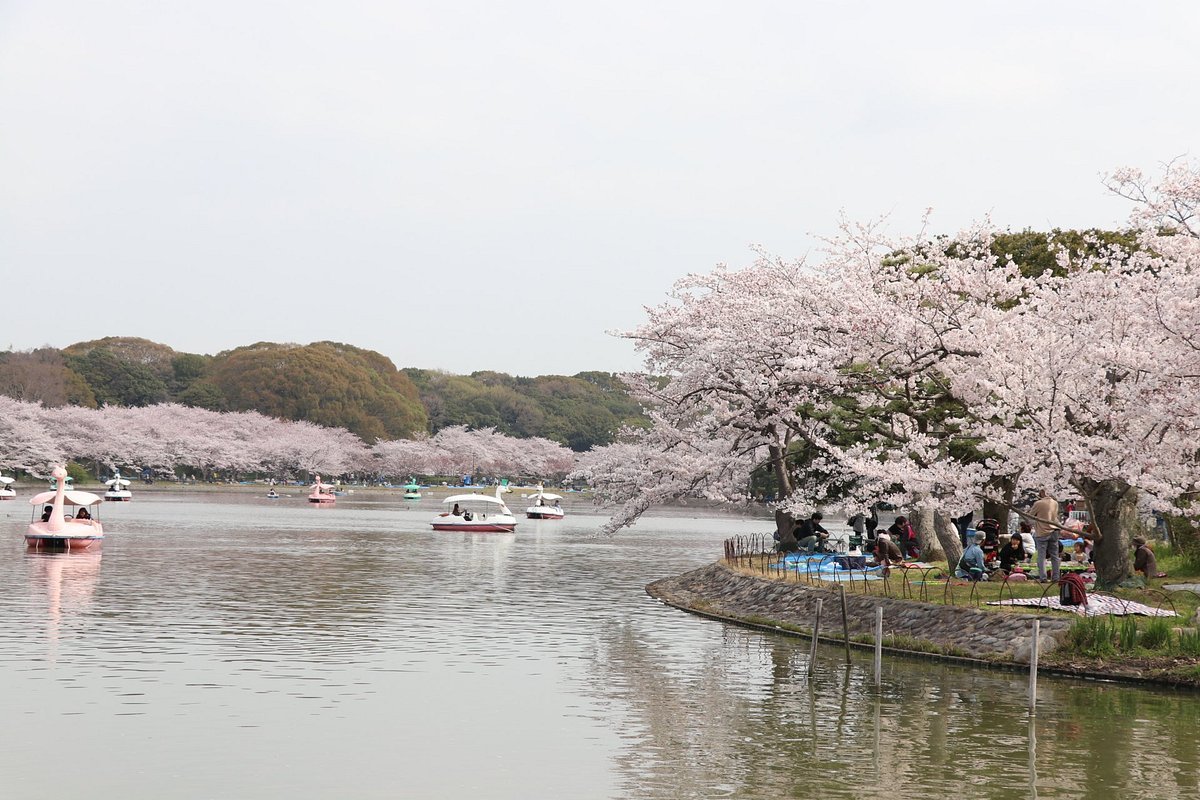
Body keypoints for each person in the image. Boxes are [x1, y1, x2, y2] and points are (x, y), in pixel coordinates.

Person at [1030, 489, 1060, 582]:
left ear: (1042, 493)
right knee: (1054, 555)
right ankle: (1056, 577)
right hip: (1054, 530)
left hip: (1042, 531)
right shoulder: (1055, 503)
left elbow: (1030, 516)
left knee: (1041, 556)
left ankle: (1043, 577)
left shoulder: (1038, 503)